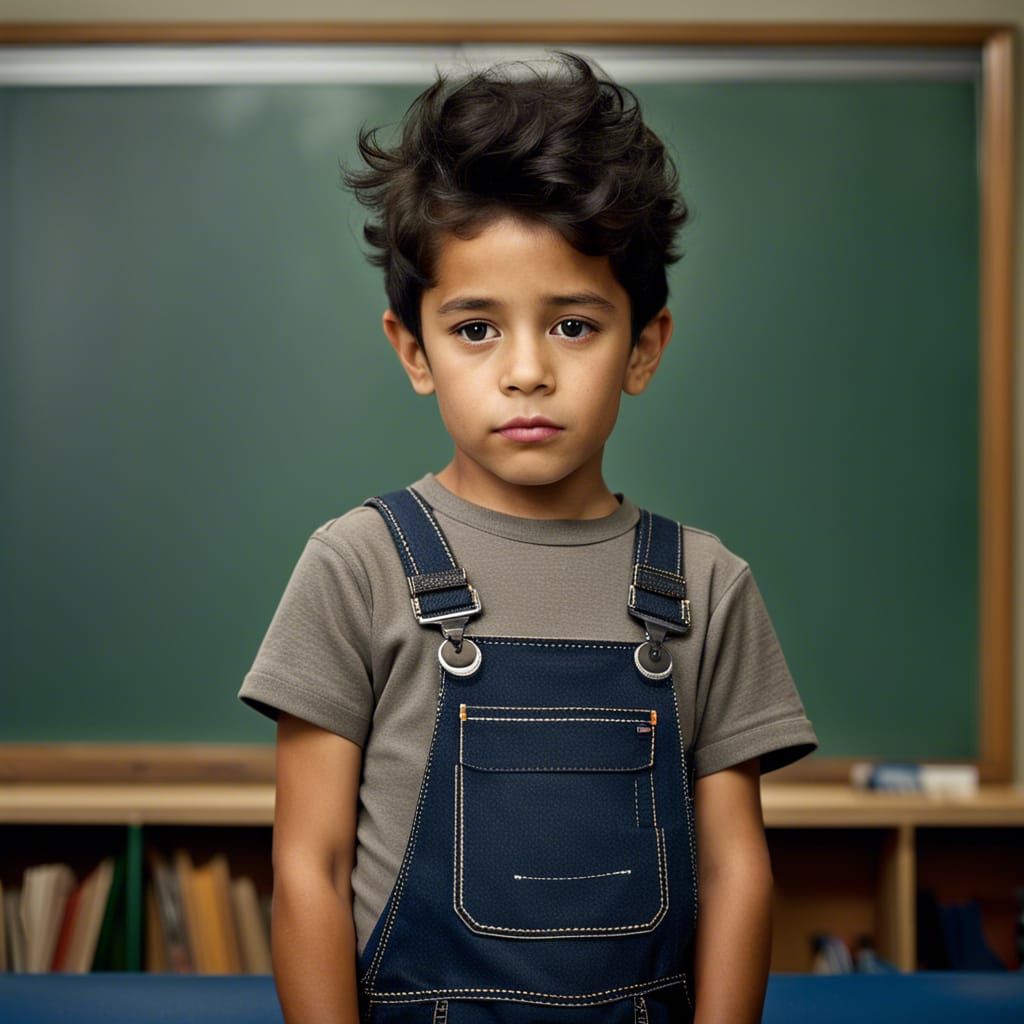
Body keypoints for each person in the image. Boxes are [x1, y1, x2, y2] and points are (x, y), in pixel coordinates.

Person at [238, 50, 818, 1024]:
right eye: (475, 329)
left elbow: (735, 867)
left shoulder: (708, 585)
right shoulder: (354, 566)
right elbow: (308, 864)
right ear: (411, 349)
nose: (524, 372)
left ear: (644, 347)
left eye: (573, 326)